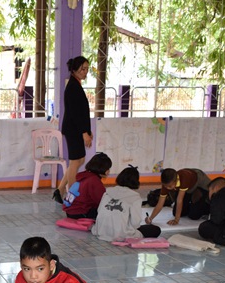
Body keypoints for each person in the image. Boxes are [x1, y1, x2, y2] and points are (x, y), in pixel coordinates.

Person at [55, 56, 93, 204]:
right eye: (83, 69)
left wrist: (88, 130)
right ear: (74, 69)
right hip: (73, 130)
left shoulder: (76, 84)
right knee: (75, 162)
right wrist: (84, 133)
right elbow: (76, 113)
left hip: (76, 129)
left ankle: (59, 190)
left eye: (87, 69)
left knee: (79, 160)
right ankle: (71, 195)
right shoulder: (72, 87)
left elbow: (82, 112)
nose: (85, 72)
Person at [93, 166, 161, 241]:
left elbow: (99, 211)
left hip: (101, 231)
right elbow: (136, 222)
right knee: (155, 230)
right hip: (121, 235)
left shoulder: (107, 192)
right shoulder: (135, 197)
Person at [146, 168, 210, 226]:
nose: (167, 188)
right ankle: (192, 204)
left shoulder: (184, 178)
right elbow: (160, 204)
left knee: (194, 215)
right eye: (165, 186)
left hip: (199, 184)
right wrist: (150, 218)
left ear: (176, 181)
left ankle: (206, 206)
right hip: (188, 188)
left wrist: (176, 220)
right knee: (177, 213)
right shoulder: (166, 184)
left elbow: (179, 200)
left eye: (170, 186)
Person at [62, 152, 112, 219]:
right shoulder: (94, 180)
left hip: (70, 211)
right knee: (110, 211)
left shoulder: (84, 175)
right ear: (102, 169)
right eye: (108, 168)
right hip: (80, 213)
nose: (109, 171)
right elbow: (102, 201)